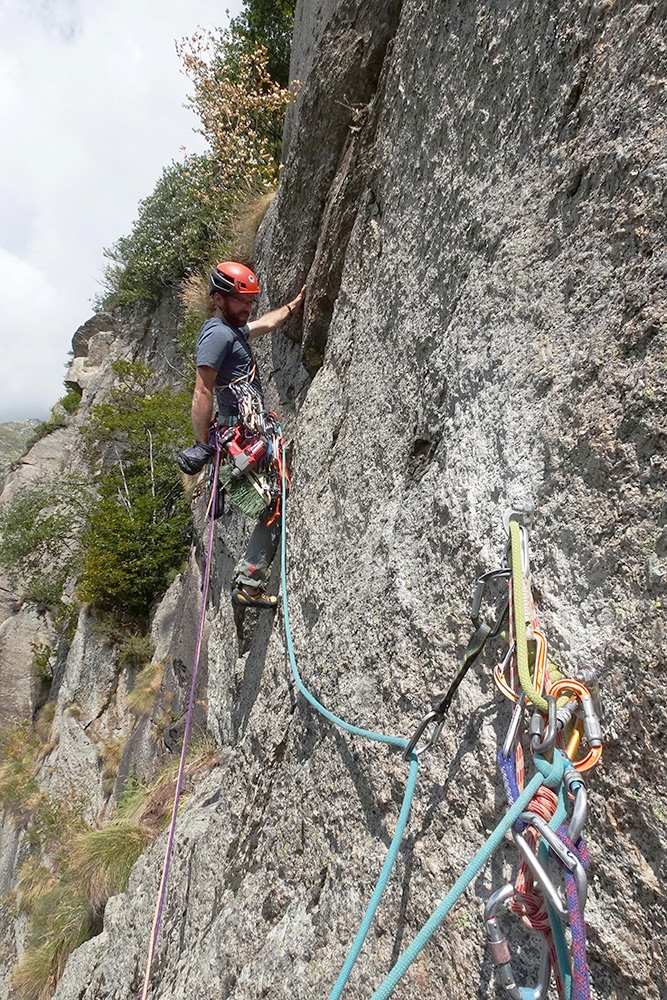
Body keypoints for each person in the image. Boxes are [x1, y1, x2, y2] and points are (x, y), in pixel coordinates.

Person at [177, 262, 305, 609]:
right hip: (240, 434)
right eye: (240, 301)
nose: (248, 308)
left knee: (274, 498)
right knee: (273, 501)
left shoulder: (233, 331)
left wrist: (296, 303)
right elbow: (202, 391)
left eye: (250, 300)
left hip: (248, 429)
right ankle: (248, 584)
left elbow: (266, 323)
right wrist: (202, 445)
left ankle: (247, 580)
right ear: (219, 299)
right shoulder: (217, 334)